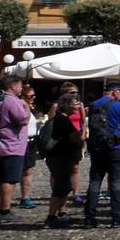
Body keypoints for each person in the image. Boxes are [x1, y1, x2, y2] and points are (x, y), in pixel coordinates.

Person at [0, 74, 31, 227]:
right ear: (13, 86)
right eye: (20, 85)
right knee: (9, 179)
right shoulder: (13, 101)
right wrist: (27, 107)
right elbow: (23, 120)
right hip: (12, 145)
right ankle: (5, 211)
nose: (21, 88)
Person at [84, 83, 120, 228]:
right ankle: (117, 218)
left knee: (95, 182)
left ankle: (89, 218)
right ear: (115, 92)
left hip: (97, 148)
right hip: (115, 147)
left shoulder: (93, 105)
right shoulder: (119, 106)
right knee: (116, 183)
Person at [43, 91, 83, 228]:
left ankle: (61, 213)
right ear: (66, 106)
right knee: (60, 187)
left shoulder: (61, 118)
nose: (78, 105)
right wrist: (82, 135)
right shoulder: (63, 120)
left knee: (65, 186)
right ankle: (51, 217)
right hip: (60, 157)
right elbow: (75, 137)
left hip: (60, 157)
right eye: (75, 103)